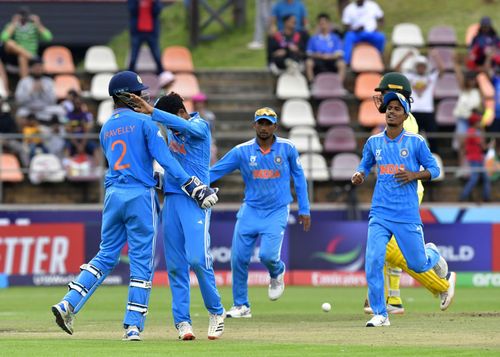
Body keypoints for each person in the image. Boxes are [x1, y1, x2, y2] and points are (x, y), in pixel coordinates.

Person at [50, 71, 219, 341]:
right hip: (140, 196)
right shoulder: (145, 123)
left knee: (105, 255)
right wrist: (194, 186)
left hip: (113, 194)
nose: (143, 96)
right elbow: (166, 160)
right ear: (127, 96)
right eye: (138, 92)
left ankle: (68, 303)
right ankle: (133, 326)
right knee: (141, 262)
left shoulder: (106, 127)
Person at [126, 91, 225, 340]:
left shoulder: (199, 125)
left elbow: (185, 127)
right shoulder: (171, 128)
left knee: (198, 259)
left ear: (181, 113)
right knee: (175, 265)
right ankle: (183, 322)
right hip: (171, 199)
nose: (167, 126)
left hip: (196, 201)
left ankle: (216, 311)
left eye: (169, 119)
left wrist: (153, 112)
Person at [352, 91, 449, 327]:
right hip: (380, 213)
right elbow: (365, 163)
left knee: (417, 264)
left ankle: (432, 253)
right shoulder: (374, 142)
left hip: (406, 214)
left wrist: (415, 175)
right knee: (373, 260)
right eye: (389, 108)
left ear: (405, 115)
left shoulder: (416, 142)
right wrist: (360, 174)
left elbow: (435, 170)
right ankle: (380, 313)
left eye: (397, 108)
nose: (391, 112)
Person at [210, 107, 311, 318]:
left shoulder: (288, 148)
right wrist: (188, 183)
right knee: (238, 258)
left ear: (275, 126)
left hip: (277, 210)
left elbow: (299, 178)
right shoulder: (242, 151)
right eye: (260, 123)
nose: (264, 128)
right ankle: (241, 306)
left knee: (267, 255)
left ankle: (277, 272)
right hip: (250, 209)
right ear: (254, 125)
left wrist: (304, 209)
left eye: (268, 124)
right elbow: (215, 171)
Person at [396, 53, 444, 153]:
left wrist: (436, 57)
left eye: (423, 66)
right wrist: (405, 57)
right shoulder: (409, 77)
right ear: (416, 67)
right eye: (419, 66)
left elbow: (442, 71)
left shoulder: (430, 77)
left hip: (428, 112)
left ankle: (434, 158)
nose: (421, 68)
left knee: (433, 138)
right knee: (411, 138)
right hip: (413, 112)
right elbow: (396, 70)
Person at [0, 6, 52, 78]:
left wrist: (38, 24)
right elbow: (3, 38)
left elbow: (48, 37)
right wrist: (13, 24)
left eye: (25, 15)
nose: (24, 17)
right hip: (13, 56)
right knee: (9, 43)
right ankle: (32, 57)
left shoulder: (34, 26)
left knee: (22, 57)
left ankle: (24, 85)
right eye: (22, 15)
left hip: (27, 57)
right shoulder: (13, 25)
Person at [15, 58, 64, 124]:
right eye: (35, 67)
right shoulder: (24, 81)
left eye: (40, 66)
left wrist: (43, 90)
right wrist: (30, 92)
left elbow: (53, 101)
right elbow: (19, 101)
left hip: (45, 108)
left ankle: (58, 131)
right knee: (20, 113)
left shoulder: (48, 81)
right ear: (30, 68)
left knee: (61, 110)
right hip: (29, 109)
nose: (38, 69)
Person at [459, 111, 491, 202]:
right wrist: (490, 145)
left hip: (478, 158)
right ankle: (462, 197)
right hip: (475, 159)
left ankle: (486, 197)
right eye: (478, 122)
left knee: (485, 178)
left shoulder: (471, 131)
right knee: (474, 179)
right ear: (474, 123)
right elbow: (483, 146)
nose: (480, 123)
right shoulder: (473, 132)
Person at [305, 13, 346, 83]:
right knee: (308, 62)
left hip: (331, 59)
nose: (323, 26)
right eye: (321, 24)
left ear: (329, 24)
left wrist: (330, 56)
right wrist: (316, 55)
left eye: (324, 23)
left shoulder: (335, 38)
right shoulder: (313, 38)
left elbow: (339, 53)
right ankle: (312, 83)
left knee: (342, 64)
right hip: (318, 59)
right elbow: (309, 53)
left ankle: (339, 84)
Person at [341, 0, 385, 65]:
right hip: (356, 34)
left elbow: (381, 18)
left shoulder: (372, 5)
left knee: (380, 37)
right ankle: (347, 62)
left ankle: (378, 57)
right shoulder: (349, 9)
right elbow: (346, 25)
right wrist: (354, 29)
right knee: (348, 36)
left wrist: (378, 28)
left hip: (371, 33)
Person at [452, 61, 482, 151]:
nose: (472, 81)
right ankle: (461, 164)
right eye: (470, 79)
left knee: (475, 143)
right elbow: (458, 76)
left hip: (474, 120)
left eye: (473, 79)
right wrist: (456, 63)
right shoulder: (463, 89)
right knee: (462, 143)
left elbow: (481, 106)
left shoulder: (479, 92)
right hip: (462, 118)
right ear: (467, 80)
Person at [128, 0, 163, 74]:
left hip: (151, 32)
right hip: (137, 32)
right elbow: (131, 10)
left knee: (157, 55)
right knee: (133, 56)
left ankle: (162, 75)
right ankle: (130, 76)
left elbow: (158, 11)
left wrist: (154, 3)